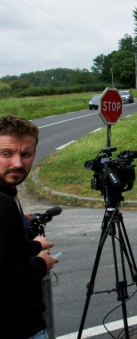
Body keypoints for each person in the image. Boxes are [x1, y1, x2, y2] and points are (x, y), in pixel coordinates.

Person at [0, 115, 59, 339]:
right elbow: (6, 285)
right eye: (6, 153)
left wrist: (32, 247)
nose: (18, 163)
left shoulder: (8, 193)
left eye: (26, 154)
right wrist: (40, 264)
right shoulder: (3, 203)